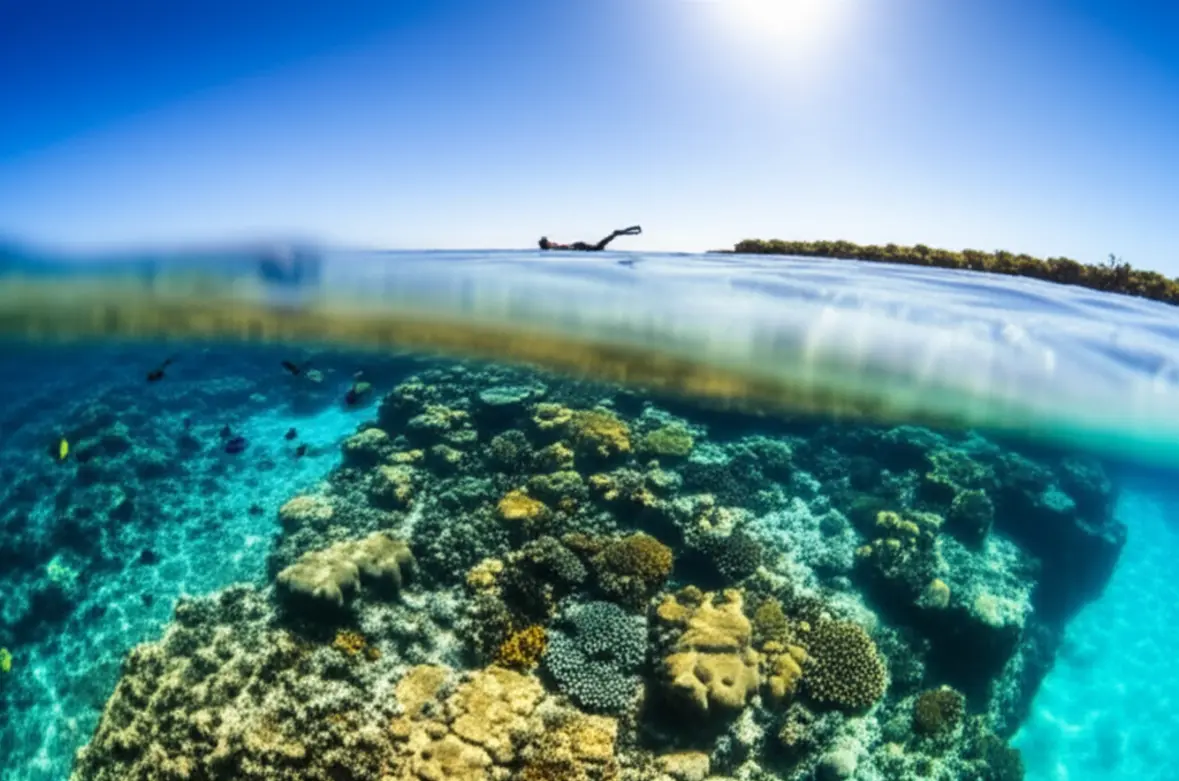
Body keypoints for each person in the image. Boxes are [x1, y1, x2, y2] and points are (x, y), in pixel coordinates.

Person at [539, 225, 641, 251]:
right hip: (579, 246)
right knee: (600, 245)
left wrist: (574, 248)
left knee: (599, 247)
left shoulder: (554, 248)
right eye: (548, 242)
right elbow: (565, 248)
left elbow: (566, 248)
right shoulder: (554, 248)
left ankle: (617, 234)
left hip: (580, 247)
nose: (550, 242)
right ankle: (631, 231)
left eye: (548, 241)